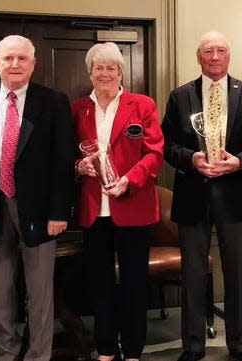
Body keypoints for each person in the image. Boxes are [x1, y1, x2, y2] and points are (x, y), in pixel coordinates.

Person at [162, 30, 242, 361]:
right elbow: (168, 146)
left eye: (221, 51)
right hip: (192, 196)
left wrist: (240, 161)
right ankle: (193, 346)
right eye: (208, 51)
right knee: (193, 275)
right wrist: (191, 159)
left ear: (229, 55)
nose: (214, 56)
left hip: (237, 195)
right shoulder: (180, 96)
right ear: (199, 57)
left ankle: (240, 345)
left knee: (238, 274)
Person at [0, 35, 74, 361]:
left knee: (39, 291)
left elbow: (62, 161)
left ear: (33, 63)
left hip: (41, 211)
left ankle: (38, 355)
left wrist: (60, 212)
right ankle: (6, 351)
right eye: (8, 58)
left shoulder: (54, 101)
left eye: (22, 59)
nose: (15, 64)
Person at [72, 42, 163, 361]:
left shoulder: (142, 104)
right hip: (94, 210)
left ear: (121, 72)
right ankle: (107, 347)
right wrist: (78, 165)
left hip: (133, 206)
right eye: (99, 67)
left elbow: (155, 154)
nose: (105, 73)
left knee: (135, 283)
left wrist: (129, 180)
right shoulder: (77, 108)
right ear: (90, 72)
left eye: (111, 67)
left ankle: (134, 348)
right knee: (99, 283)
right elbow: (67, 153)